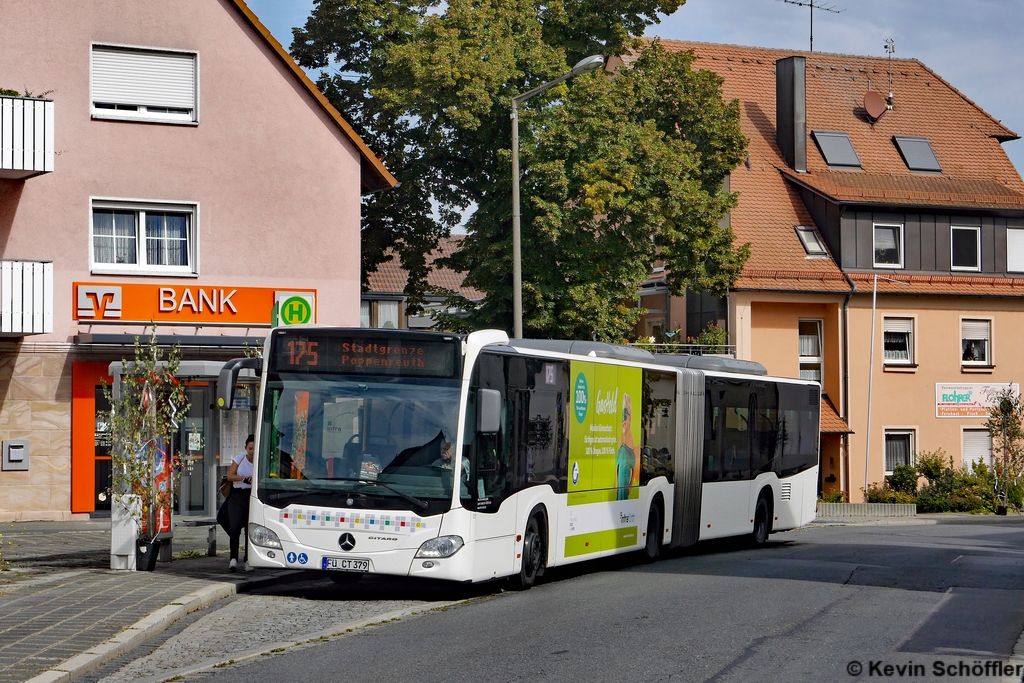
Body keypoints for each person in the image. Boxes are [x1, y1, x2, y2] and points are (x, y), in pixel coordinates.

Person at [224, 435, 255, 572]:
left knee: (249, 529)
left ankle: (248, 559)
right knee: (234, 527)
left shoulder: (261, 461)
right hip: (237, 495)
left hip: (252, 497)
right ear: (245, 448)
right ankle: (233, 559)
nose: (252, 451)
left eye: (254, 448)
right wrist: (244, 478)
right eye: (250, 448)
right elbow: (230, 476)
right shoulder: (240, 459)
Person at [615, 394, 638, 501]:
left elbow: (633, 467)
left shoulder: (629, 440)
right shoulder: (621, 444)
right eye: (622, 417)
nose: (623, 421)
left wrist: (631, 484)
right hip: (620, 484)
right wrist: (616, 484)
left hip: (625, 483)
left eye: (626, 416)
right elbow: (617, 468)